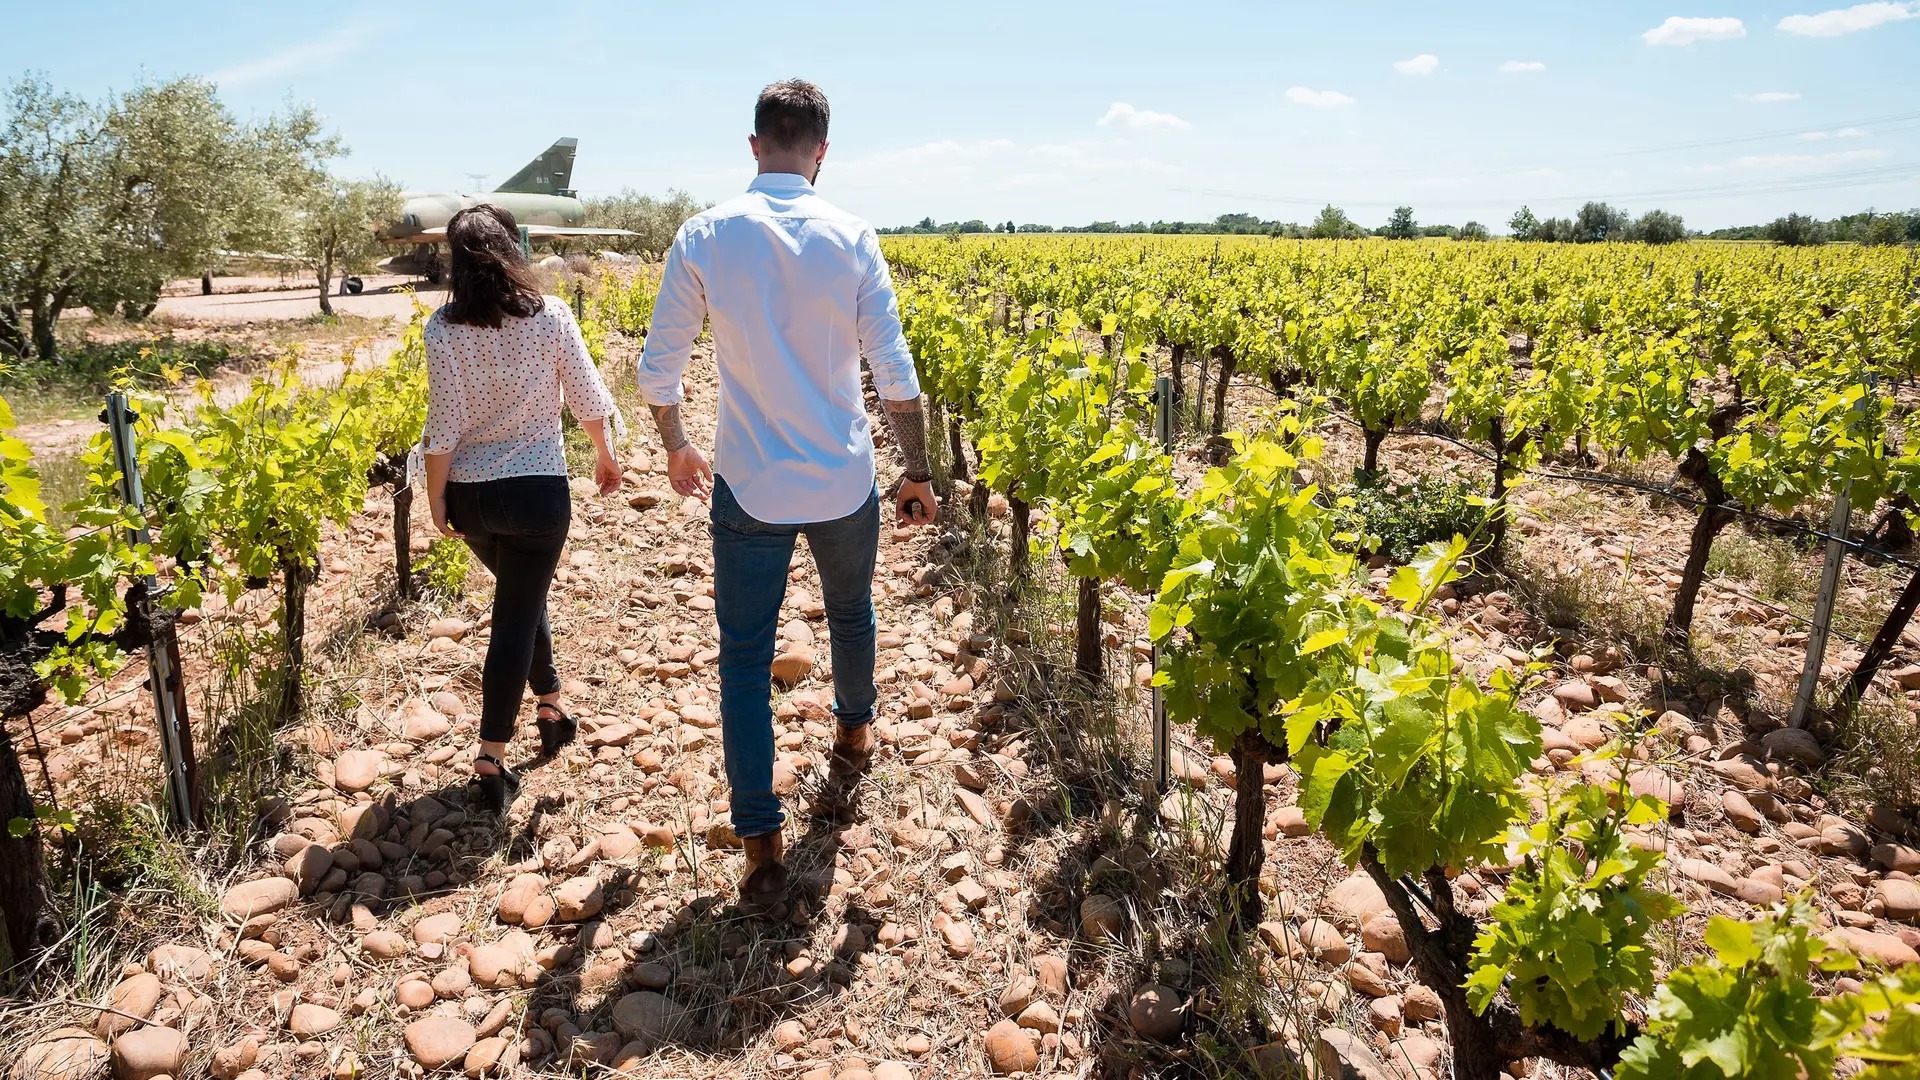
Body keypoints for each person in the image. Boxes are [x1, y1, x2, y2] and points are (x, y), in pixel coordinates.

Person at [635, 78, 937, 901]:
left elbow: (657, 370)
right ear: (823, 153)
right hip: (843, 481)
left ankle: (761, 838)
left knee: (742, 656)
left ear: (755, 145)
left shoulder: (704, 234)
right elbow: (896, 375)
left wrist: (676, 445)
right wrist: (915, 471)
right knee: (850, 612)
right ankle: (854, 728)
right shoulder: (852, 236)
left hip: (749, 484)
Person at [422, 203, 623, 814]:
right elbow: (586, 395)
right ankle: (490, 754)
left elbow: (444, 421)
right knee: (514, 616)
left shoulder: (441, 327)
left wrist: (436, 497)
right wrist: (605, 454)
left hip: (472, 495)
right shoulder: (551, 315)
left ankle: (553, 703)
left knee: (520, 597)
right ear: (514, 250)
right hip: (537, 489)